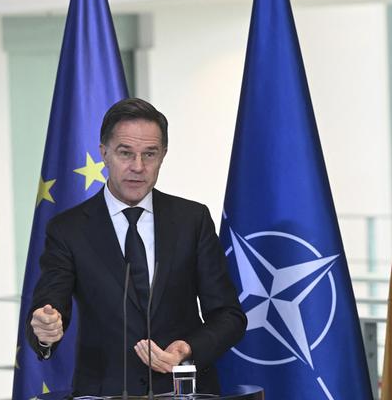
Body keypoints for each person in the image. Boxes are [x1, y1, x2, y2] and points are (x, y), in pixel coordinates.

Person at [26, 98, 247, 396]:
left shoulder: (192, 220)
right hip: (104, 391)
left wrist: (186, 348)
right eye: (125, 153)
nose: (138, 167)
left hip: (183, 390)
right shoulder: (69, 229)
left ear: (163, 155)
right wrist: (45, 328)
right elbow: (51, 305)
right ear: (104, 153)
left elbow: (229, 316)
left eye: (150, 154)